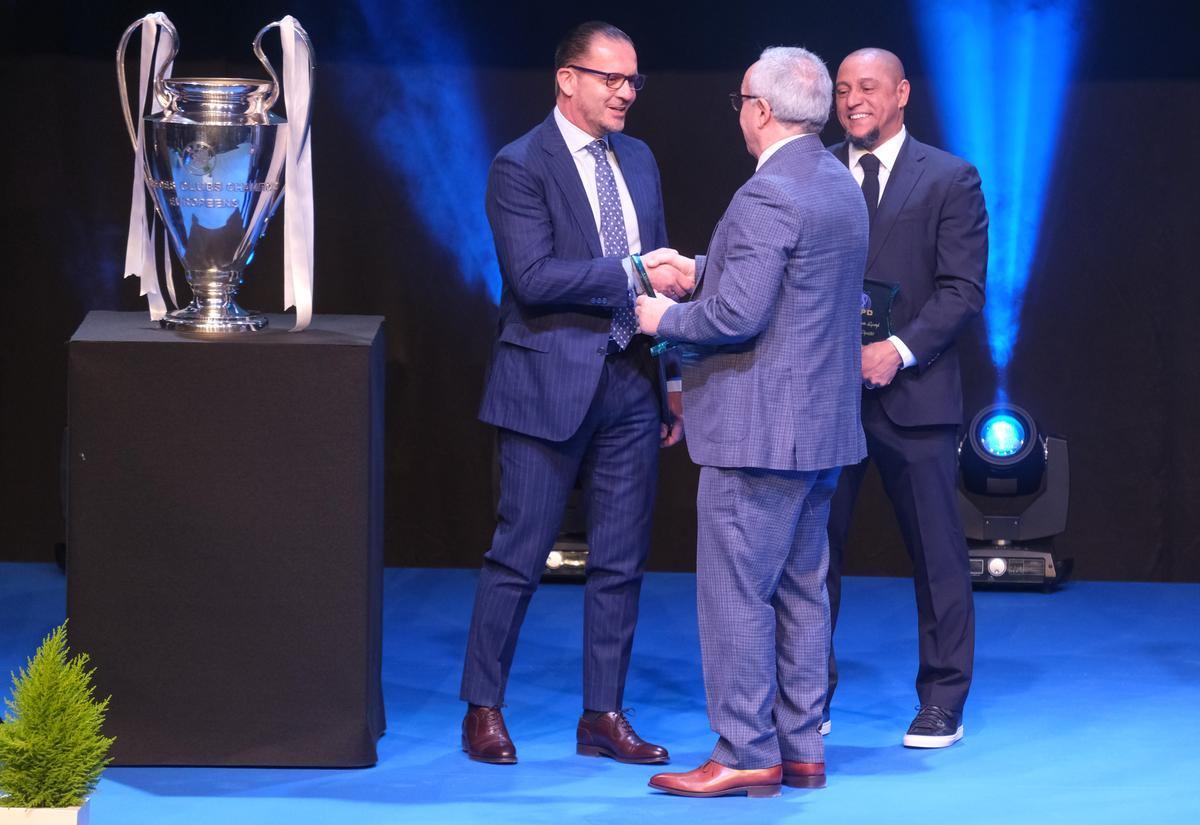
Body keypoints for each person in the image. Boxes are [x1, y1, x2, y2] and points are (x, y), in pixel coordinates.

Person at [634, 46, 868, 797]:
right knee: (803, 590)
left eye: (740, 102)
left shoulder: (767, 193)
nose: (738, 113)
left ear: (760, 110)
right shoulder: (836, 182)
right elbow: (792, 285)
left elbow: (739, 314)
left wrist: (663, 312)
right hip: (821, 431)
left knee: (736, 592)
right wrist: (700, 268)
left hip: (759, 433)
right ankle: (800, 750)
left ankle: (743, 749)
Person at [459, 21, 684, 766]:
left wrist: (671, 380)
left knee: (620, 560)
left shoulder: (642, 159)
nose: (625, 93)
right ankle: (483, 707)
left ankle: (603, 714)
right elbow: (534, 277)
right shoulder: (519, 164)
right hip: (546, 384)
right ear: (567, 79)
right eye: (610, 79)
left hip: (629, 381)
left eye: (633, 81)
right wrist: (635, 269)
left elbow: (655, 286)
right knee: (518, 554)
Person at [823, 48, 988, 748]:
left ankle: (942, 698)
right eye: (841, 89)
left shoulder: (949, 178)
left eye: (867, 87)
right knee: (810, 556)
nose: (853, 99)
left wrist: (899, 349)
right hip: (822, 400)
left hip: (914, 396)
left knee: (938, 555)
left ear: (901, 93)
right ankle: (805, 696)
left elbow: (962, 291)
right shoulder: (815, 170)